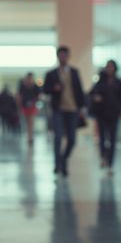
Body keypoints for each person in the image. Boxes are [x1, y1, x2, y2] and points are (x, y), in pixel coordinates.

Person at [44, 45, 86, 177]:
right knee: (57, 137)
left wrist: (83, 107)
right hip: (58, 109)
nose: (63, 57)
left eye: (65, 55)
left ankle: (63, 159)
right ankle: (58, 165)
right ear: (58, 57)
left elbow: (80, 90)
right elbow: (45, 90)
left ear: (68, 56)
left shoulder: (74, 72)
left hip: (73, 109)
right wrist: (53, 88)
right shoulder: (51, 74)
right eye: (61, 55)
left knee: (72, 139)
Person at [90, 60, 121, 170]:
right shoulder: (101, 82)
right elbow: (92, 93)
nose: (110, 69)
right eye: (108, 66)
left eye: (111, 66)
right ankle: (103, 157)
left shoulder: (119, 82)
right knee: (103, 138)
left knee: (112, 139)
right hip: (102, 113)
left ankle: (111, 163)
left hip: (114, 113)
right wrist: (96, 97)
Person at [18, 72, 41, 145]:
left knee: (31, 121)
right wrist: (19, 105)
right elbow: (19, 96)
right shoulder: (22, 85)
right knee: (28, 122)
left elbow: (38, 96)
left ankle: (30, 137)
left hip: (32, 106)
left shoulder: (35, 86)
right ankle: (29, 136)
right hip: (25, 106)